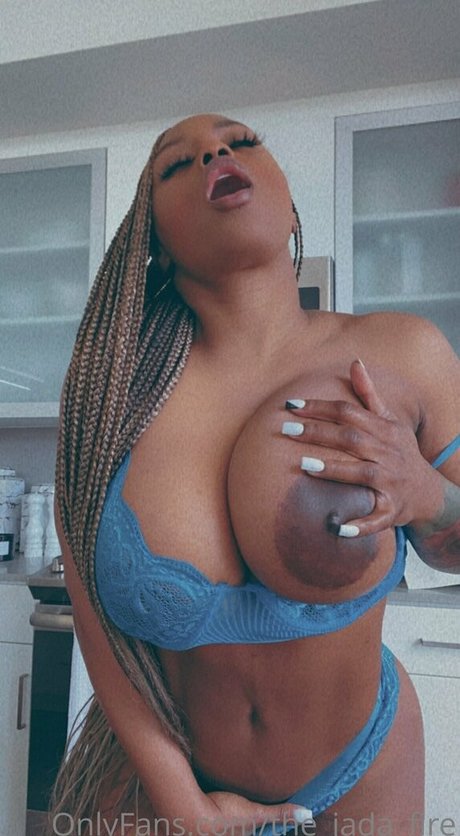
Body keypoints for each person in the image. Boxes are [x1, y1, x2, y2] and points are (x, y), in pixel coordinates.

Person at [51, 113, 460, 836]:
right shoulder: (112, 402)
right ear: (154, 245)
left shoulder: (405, 353)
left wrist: (425, 494)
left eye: (240, 141)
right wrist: (183, 803)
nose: (215, 152)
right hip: (161, 784)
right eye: (176, 164)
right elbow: (93, 619)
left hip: (363, 770)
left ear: (290, 208)